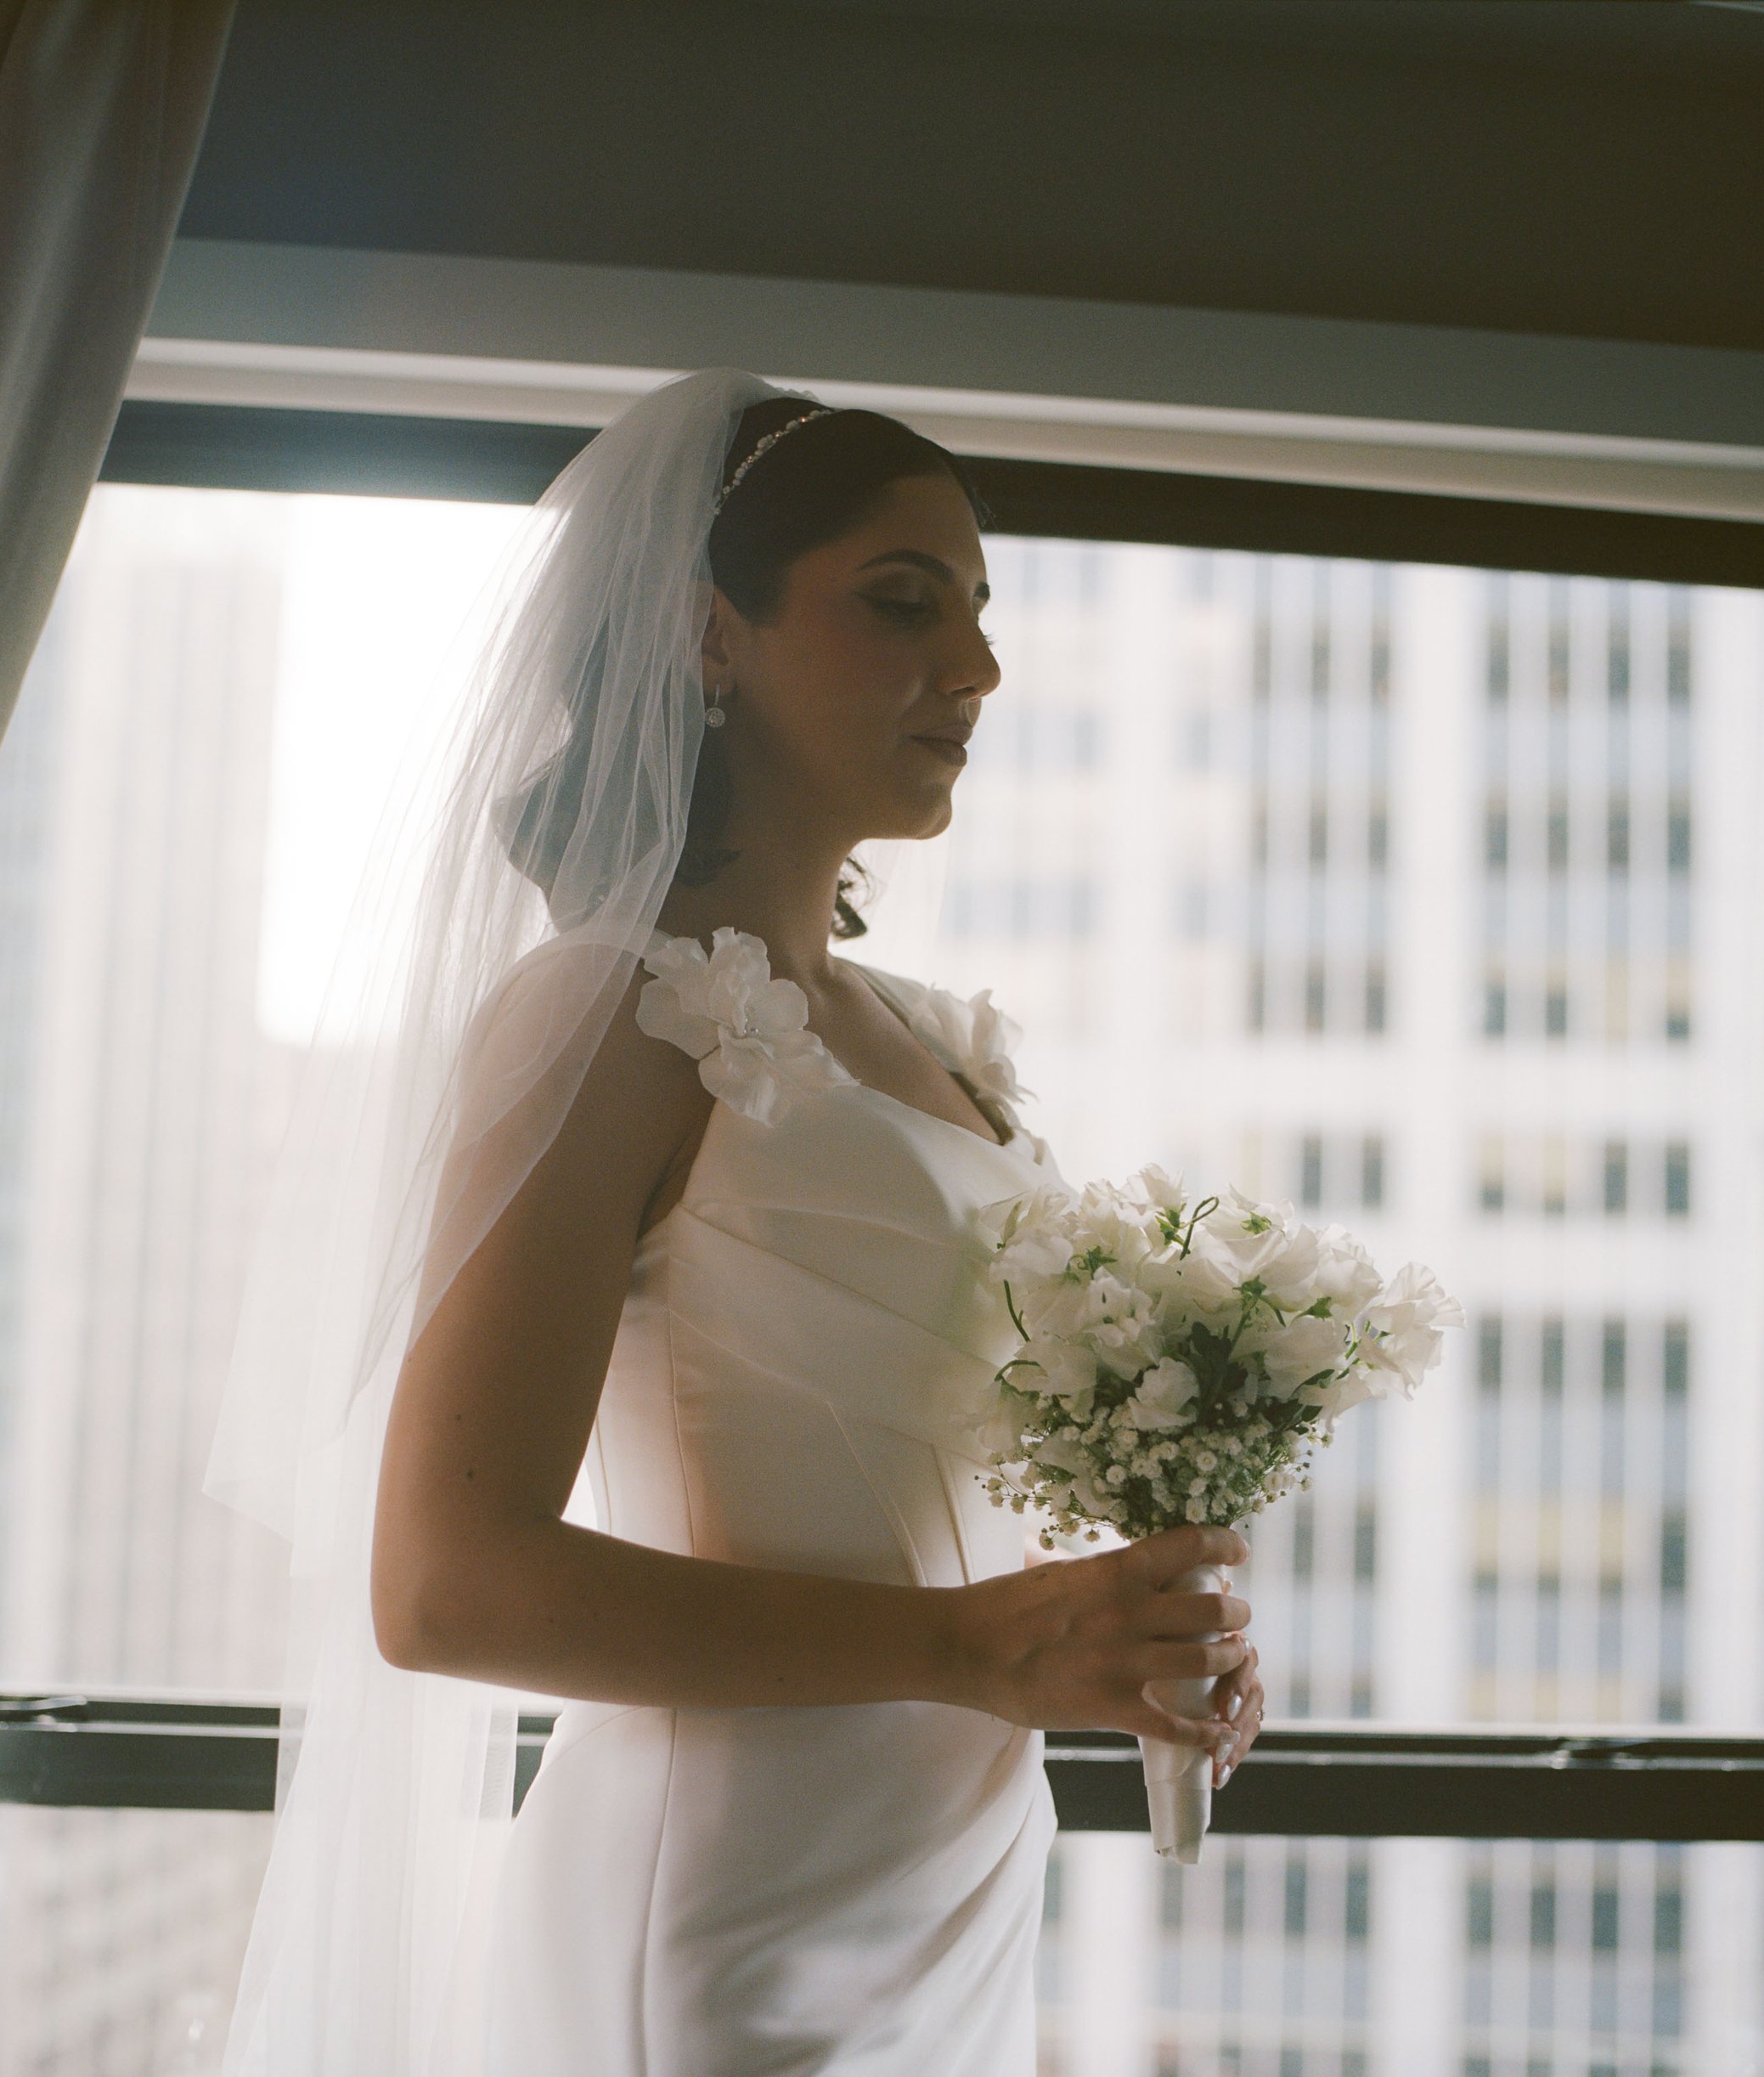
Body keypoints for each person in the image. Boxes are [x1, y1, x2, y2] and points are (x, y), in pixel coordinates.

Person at [208, 370, 1263, 2076]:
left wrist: (1123, 1635)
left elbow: (956, 1489)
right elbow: (446, 1582)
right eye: (902, 602)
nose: (977, 668)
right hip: (728, 1900)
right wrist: (973, 1646)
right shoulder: (604, 1013)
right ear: (712, 637)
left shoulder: (932, 1040)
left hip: (949, 1864)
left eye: (979, 613)